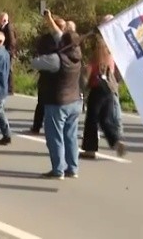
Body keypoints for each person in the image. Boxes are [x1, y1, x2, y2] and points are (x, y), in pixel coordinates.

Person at [32, 28, 83, 180]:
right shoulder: (77, 56)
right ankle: (72, 168)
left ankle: (58, 169)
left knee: (55, 137)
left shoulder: (56, 59)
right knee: (71, 137)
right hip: (74, 100)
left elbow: (35, 62)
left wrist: (49, 52)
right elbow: (60, 36)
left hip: (58, 102)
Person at [80, 37, 127, 159]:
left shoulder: (96, 56)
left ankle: (90, 149)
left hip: (97, 89)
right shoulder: (111, 56)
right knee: (105, 119)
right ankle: (115, 140)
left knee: (92, 119)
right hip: (110, 89)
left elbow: (87, 73)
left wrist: (83, 90)